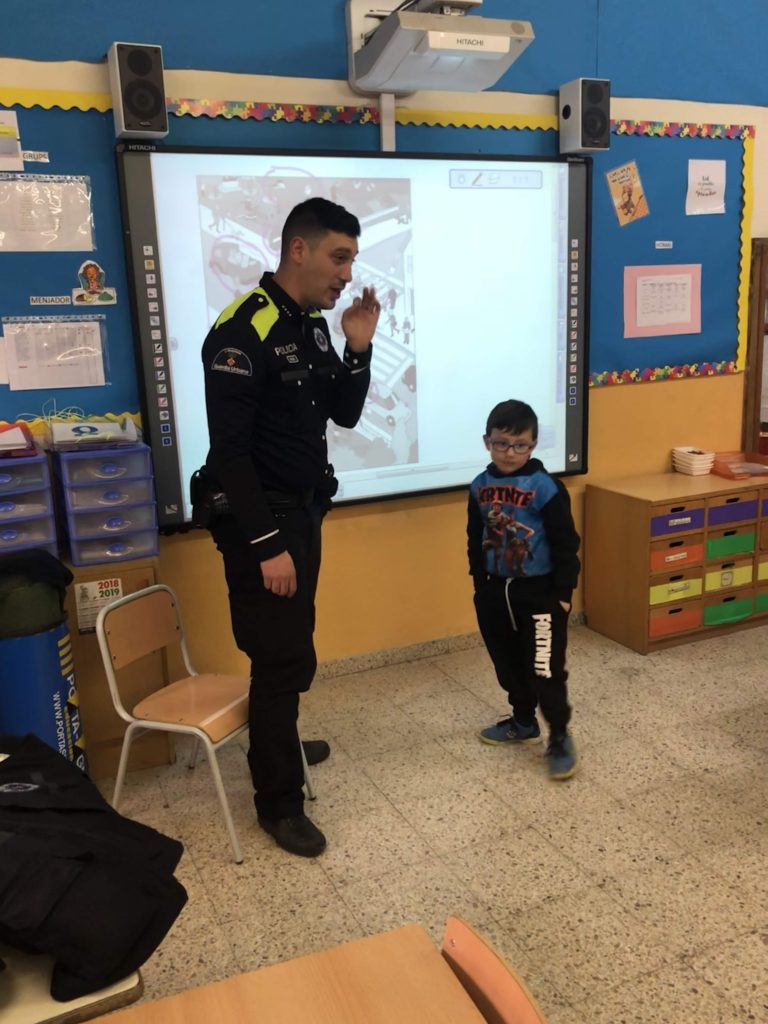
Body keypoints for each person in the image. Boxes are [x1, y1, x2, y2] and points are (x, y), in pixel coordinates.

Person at [200, 197, 380, 856]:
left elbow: (344, 413)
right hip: (263, 523)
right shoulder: (241, 330)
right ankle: (278, 803)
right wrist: (266, 545)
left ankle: (279, 737)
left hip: (303, 512)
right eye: (339, 257)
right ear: (298, 250)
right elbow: (230, 455)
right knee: (279, 658)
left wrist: (358, 347)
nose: (346, 274)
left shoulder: (312, 325)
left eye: (352, 260)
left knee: (293, 646)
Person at [467, 399, 581, 780]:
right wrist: (480, 585)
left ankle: (559, 736)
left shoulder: (545, 487)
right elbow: (474, 537)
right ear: (487, 441)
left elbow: (566, 543)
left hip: (541, 595)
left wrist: (563, 594)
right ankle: (523, 720)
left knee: (544, 669)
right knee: (508, 663)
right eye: (501, 443)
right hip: (495, 595)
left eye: (520, 445)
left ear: (533, 445)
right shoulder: (479, 487)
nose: (510, 452)